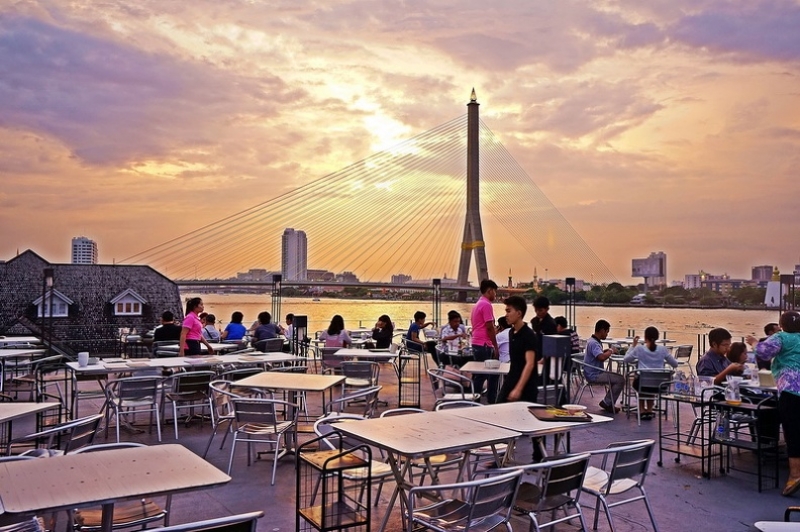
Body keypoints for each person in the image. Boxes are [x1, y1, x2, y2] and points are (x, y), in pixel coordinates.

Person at [747, 311, 800, 496]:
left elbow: (764, 352)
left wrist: (754, 342)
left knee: (792, 431)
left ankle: (795, 475)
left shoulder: (782, 337)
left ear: (781, 324)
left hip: (791, 390)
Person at [623, 326, 679, 419]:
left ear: (645, 338)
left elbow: (626, 359)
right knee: (651, 380)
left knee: (640, 379)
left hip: (641, 384)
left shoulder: (639, 349)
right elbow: (675, 364)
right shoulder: (663, 350)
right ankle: (649, 409)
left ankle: (641, 409)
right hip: (659, 385)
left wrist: (633, 346)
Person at [497, 296, 538, 404]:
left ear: (519, 313)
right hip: (511, 379)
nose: (506, 315)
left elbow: (530, 364)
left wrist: (518, 389)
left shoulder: (529, 335)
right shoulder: (511, 332)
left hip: (526, 386)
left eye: (509, 311)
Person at [583, 319, 626, 414]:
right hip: (594, 375)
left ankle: (608, 402)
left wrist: (607, 350)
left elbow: (598, 353)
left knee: (617, 378)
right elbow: (601, 357)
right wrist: (611, 351)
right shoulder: (594, 343)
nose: (607, 334)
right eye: (607, 332)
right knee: (620, 379)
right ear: (602, 330)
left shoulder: (592, 341)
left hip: (591, 372)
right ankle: (607, 403)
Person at [470, 279, 500, 404]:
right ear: (489, 291)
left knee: (480, 374)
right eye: (495, 292)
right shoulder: (487, 305)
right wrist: (496, 346)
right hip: (484, 344)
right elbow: (489, 327)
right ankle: (489, 400)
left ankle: (476, 400)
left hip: (476, 342)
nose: (496, 295)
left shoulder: (478, 304)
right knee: (487, 374)